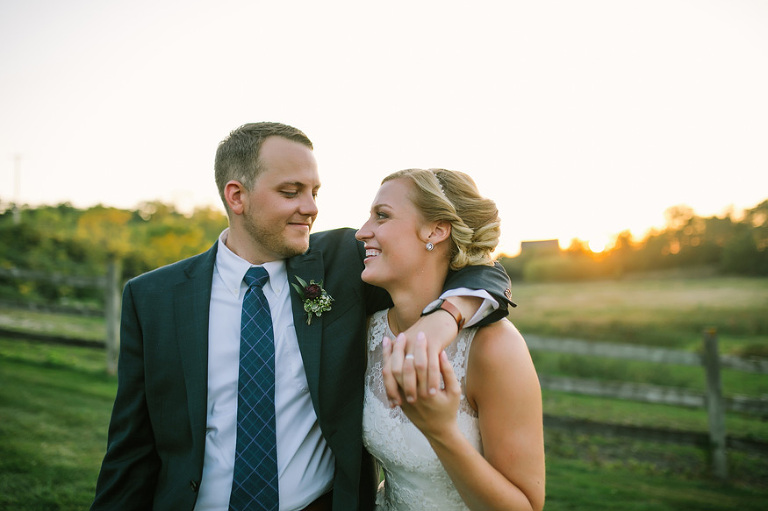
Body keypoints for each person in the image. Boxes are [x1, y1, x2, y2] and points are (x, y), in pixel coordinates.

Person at [90, 123, 515, 511]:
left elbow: (481, 269)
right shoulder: (154, 298)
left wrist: (446, 316)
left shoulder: (346, 263)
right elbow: (131, 450)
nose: (310, 208)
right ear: (237, 196)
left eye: (315, 191)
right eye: (291, 192)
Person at [356, 168, 545, 510]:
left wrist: (440, 432)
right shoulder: (369, 331)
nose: (361, 232)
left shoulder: (495, 348)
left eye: (382, 216)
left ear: (437, 229)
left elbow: (526, 506)